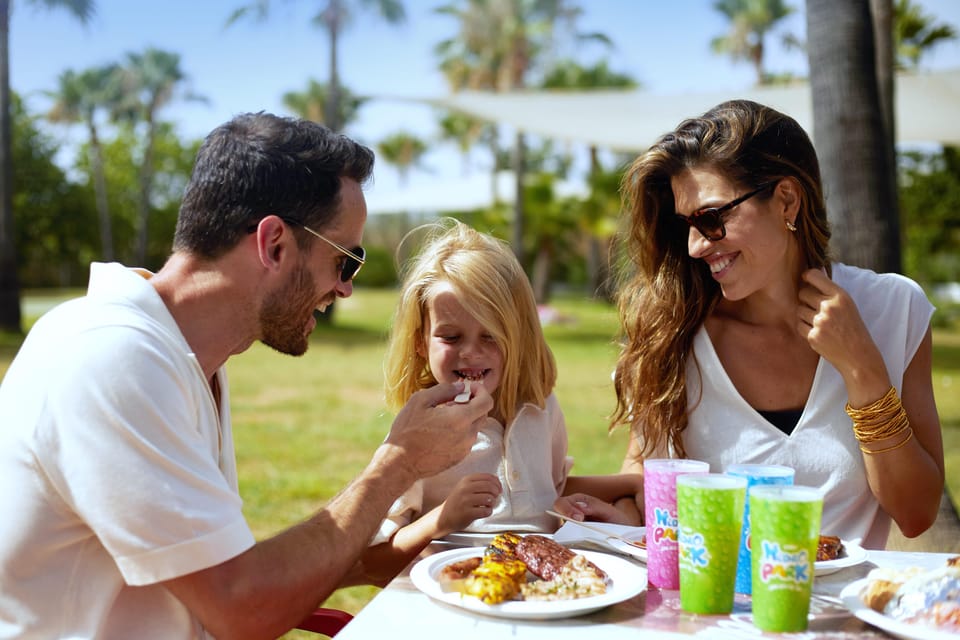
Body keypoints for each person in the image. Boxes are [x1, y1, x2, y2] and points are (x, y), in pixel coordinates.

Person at [0, 112, 494, 639]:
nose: (346, 287)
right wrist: (399, 463)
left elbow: (224, 570)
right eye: (345, 260)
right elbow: (242, 607)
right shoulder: (113, 357)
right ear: (274, 243)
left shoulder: (186, 358)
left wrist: (375, 551)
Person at [557, 99, 943, 549]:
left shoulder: (894, 309)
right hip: (709, 595)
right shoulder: (671, 330)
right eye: (686, 224)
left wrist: (862, 369)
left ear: (786, 201)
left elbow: (916, 515)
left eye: (711, 218)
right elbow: (646, 469)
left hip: (847, 596)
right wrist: (625, 514)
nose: (695, 246)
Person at [356, 219, 640, 583]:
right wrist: (441, 519)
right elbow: (374, 560)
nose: (470, 353)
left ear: (519, 337)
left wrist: (628, 485)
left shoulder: (542, 408)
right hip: (455, 593)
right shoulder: (421, 430)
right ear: (420, 342)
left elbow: (548, 488)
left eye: (490, 336)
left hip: (541, 592)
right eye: (451, 337)